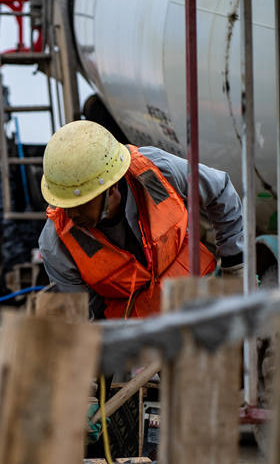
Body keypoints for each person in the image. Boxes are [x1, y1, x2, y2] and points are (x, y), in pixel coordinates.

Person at [38, 120, 244, 320]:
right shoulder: (57, 243)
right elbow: (81, 321)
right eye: (65, 204)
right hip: (135, 338)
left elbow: (220, 191)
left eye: (80, 204)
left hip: (197, 303)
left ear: (111, 188)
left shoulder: (155, 171)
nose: (72, 214)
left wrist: (235, 265)